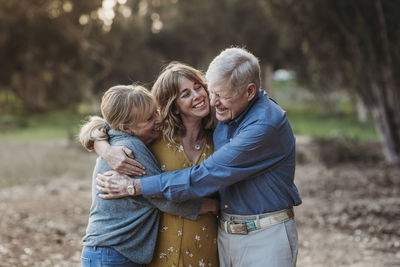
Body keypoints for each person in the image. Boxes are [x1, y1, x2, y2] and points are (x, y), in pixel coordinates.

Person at [97, 48, 302, 267]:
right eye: (211, 92)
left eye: (219, 95)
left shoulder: (260, 126)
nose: (211, 101)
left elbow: (205, 176)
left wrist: (134, 186)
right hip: (220, 237)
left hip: (263, 236)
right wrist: (102, 145)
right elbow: (116, 121)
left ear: (249, 92)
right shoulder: (221, 113)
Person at [85, 63, 219, 267]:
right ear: (126, 128)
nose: (157, 119)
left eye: (198, 87)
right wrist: (216, 206)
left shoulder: (220, 131)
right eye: (185, 94)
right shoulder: (134, 148)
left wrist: (103, 147)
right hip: (116, 252)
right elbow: (164, 197)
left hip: (124, 251)